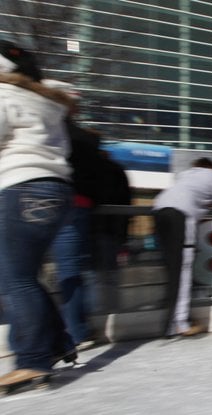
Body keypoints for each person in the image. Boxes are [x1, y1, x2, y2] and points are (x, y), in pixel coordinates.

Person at [0, 41, 78, 380]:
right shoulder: (47, 102)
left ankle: (32, 360)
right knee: (21, 276)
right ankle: (57, 342)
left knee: (15, 279)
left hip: (20, 186)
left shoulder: (4, 95)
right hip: (56, 189)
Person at [44, 79, 102, 349]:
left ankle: (34, 335)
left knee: (21, 273)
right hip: (75, 205)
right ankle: (76, 332)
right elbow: (95, 179)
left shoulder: (36, 131)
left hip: (25, 202)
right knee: (70, 269)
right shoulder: (85, 139)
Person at [152, 157, 212, 338]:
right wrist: (207, 206)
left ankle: (172, 320)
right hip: (180, 215)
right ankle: (179, 323)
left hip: (159, 209)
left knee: (171, 268)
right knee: (183, 270)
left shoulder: (185, 174)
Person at [91, 150, 132, 313]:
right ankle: (112, 309)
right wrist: (123, 237)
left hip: (93, 228)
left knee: (93, 275)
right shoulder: (118, 171)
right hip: (113, 231)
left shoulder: (92, 169)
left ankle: (97, 312)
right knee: (110, 275)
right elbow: (126, 204)